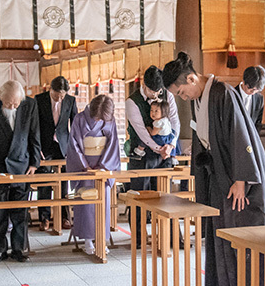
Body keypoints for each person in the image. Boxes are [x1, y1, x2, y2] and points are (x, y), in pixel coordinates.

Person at [163, 52, 265, 286]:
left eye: (182, 91)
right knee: (217, 237)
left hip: (237, 181)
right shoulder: (201, 97)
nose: (183, 98)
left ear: (191, 77)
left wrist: (242, 180)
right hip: (218, 179)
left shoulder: (222, 92)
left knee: (237, 238)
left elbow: (239, 135)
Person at [0, 80, 41, 263]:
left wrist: (35, 163)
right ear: (0, 96)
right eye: (8, 103)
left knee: (20, 211)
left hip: (22, 165)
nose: (13, 106)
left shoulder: (30, 105)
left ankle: (19, 249)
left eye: (16, 103)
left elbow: (35, 134)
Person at [125, 66, 181, 244]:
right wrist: (160, 149)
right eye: (152, 91)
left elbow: (175, 122)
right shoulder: (132, 102)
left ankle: (171, 238)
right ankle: (139, 239)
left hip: (165, 153)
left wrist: (171, 145)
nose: (156, 95)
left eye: (159, 90)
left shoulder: (168, 95)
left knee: (166, 196)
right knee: (140, 197)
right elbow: (142, 132)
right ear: (144, 84)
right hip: (140, 154)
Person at [66, 95, 121, 255]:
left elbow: (113, 144)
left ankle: (102, 240)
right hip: (84, 167)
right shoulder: (79, 119)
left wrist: (104, 167)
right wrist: (84, 165)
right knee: (86, 204)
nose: (99, 120)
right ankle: (88, 240)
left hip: (102, 168)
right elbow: (74, 143)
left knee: (102, 204)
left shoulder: (110, 120)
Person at [34, 76, 76, 231]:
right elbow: (34, 126)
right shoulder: (38, 100)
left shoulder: (70, 101)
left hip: (63, 145)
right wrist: (36, 148)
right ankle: (44, 217)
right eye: (57, 95)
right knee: (44, 181)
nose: (60, 98)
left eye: (62, 96)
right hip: (44, 145)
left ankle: (64, 216)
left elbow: (75, 124)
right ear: (50, 89)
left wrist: (74, 147)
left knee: (64, 181)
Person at [147, 100, 177, 168]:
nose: (153, 113)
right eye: (151, 110)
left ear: (163, 112)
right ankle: (172, 156)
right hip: (169, 137)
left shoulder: (158, 122)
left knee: (159, 145)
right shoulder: (166, 119)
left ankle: (165, 155)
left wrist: (148, 129)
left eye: (156, 111)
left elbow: (153, 133)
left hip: (161, 139)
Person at [239, 65, 265, 131]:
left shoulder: (259, 98)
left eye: (257, 90)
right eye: (251, 88)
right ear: (243, 81)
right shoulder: (232, 95)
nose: (253, 92)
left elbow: (258, 123)